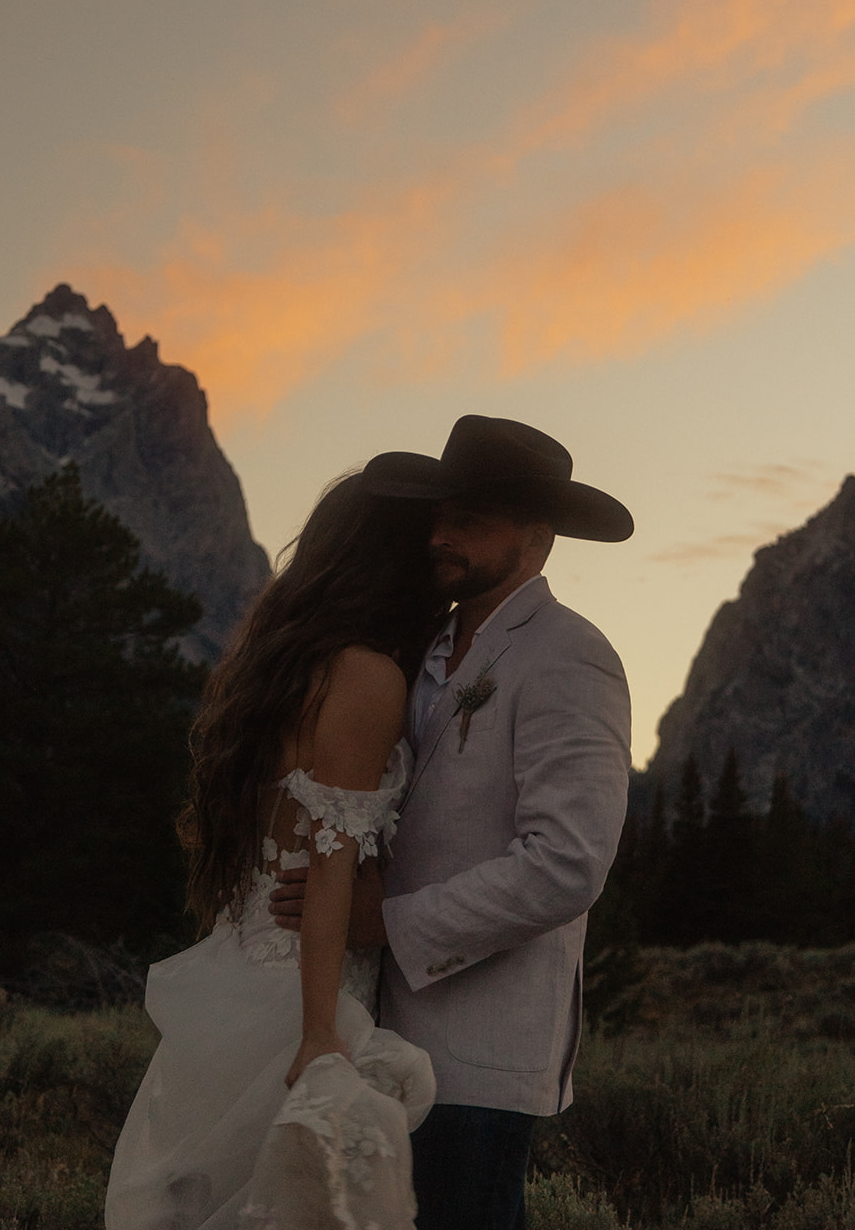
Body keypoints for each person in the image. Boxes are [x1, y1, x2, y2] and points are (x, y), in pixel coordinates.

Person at [272, 416, 633, 1230]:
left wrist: (387, 924)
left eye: (470, 518)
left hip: (480, 1055)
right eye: (440, 514)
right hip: (377, 1037)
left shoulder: (569, 656)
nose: (441, 533)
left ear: (537, 540)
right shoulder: (421, 645)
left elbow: (566, 865)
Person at [105, 472, 439, 1230]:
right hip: (302, 986)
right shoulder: (365, 674)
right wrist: (321, 1030)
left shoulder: (286, 667)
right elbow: (327, 864)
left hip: (243, 968)